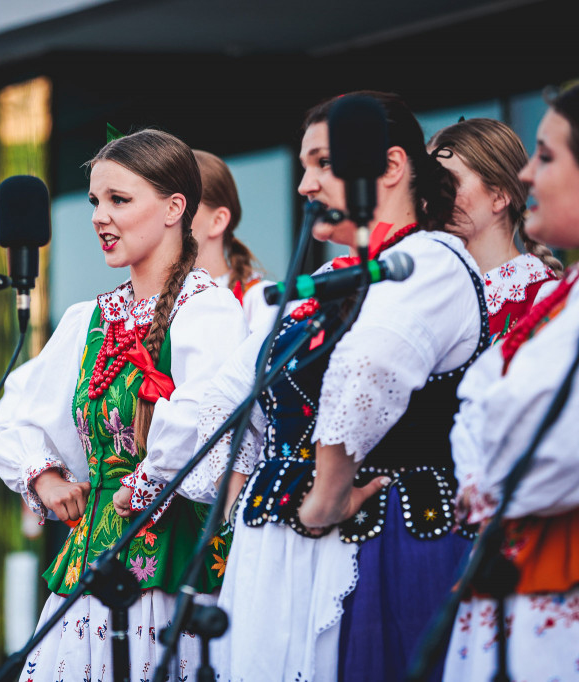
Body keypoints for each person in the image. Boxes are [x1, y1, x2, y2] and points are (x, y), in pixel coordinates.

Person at [200, 91, 488, 681]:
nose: (305, 185)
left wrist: (326, 497)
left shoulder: (431, 260)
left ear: (390, 166)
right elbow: (228, 395)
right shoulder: (327, 282)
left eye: (323, 164)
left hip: (378, 540)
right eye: (304, 166)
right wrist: (240, 501)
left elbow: (372, 364)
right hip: (278, 554)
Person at [0, 129, 246, 680]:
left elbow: (209, 419)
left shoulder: (208, 311)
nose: (99, 216)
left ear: (176, 207)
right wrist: (47, 479)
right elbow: (17, 416)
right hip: (89, 570)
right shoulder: (88, 320)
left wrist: (147, 481)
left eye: (119, 200)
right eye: (94, 201)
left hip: (173, 572)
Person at [443, 82, 579, 682]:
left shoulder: (537, 293)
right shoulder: (558, 298)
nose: (529, 174)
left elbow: (532, 428)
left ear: (497, 197)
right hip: (486, 531)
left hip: (538, 542)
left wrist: (482, 473)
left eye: (546, 158)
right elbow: (476, 404)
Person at [429, 118, 562, 340]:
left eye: (446, 184)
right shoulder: (434, 297)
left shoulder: (543, 299)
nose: (429, 200)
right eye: (426, 186)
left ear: (499, 197)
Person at [191, 150, 274, 333]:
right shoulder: (148, 304)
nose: (170, 215)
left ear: (218, 221)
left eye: (184, 204)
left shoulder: (259, 300)